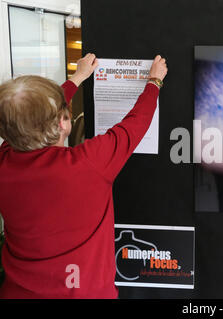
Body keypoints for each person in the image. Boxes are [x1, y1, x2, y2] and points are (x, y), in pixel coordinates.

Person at [0, 53, 167, 298]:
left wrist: (77, 78)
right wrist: (154, 82)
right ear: (63, 123)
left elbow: (27, 119)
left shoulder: (5, 159)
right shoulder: (88, 163)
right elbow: (135, 125)